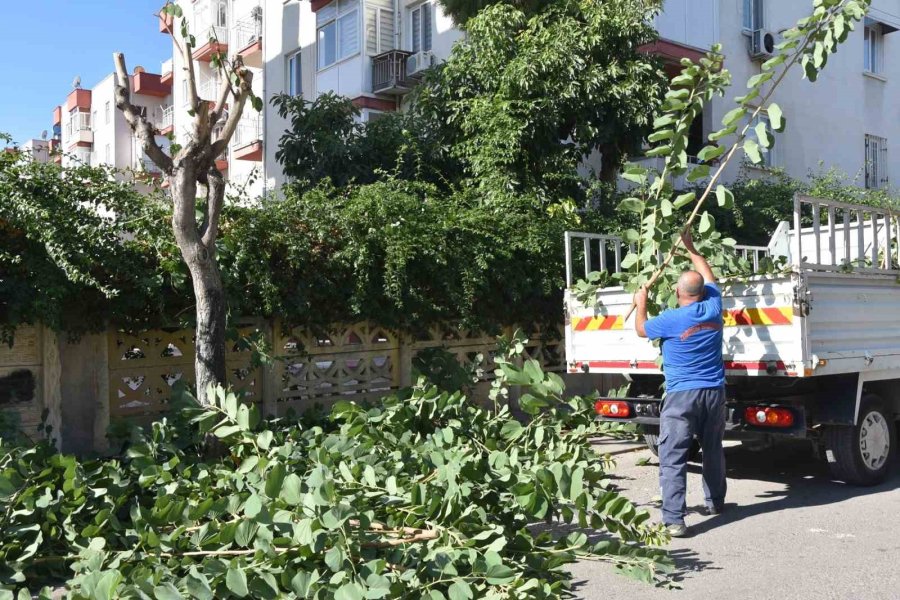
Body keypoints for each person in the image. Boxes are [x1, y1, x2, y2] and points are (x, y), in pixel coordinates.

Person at [633, 230, 726, 538]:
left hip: (682, 396)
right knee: (713, 449)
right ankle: (715, 503)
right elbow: (706, 274)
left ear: (678, 291)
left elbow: (641, 330)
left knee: (673, 455)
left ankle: (674, 520)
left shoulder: (672, 319)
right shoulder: (713, 308)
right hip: (714, 392)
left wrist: (641, 301)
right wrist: (691, 248)